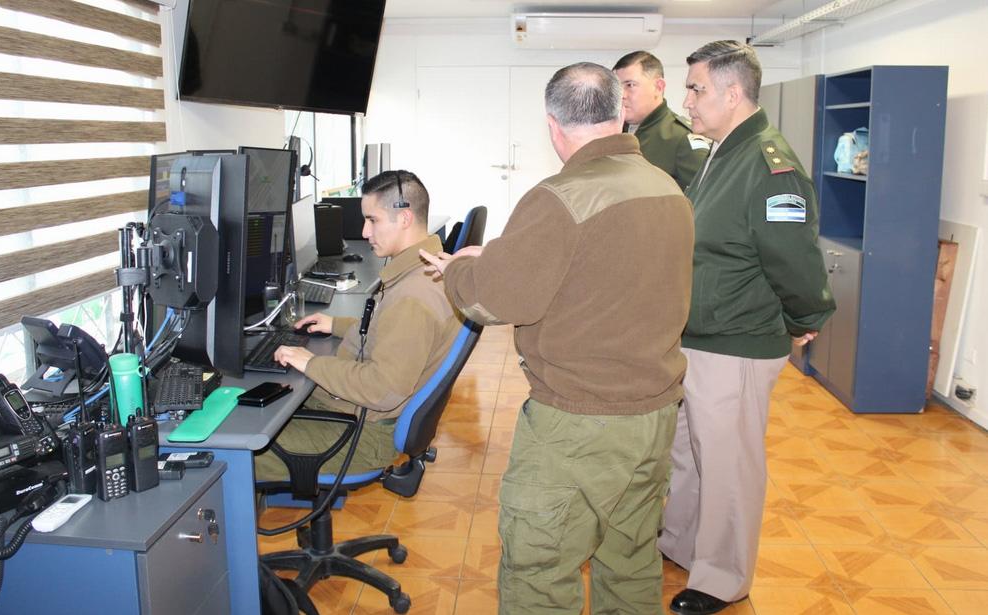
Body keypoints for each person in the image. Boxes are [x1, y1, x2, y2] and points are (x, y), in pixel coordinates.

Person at [420, 62, 694, 615]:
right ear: (619, 114)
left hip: (579, 424)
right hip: (654, 414)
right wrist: (500, 256)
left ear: (553, 125)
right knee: (631, 560)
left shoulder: (559, 196)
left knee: (539, 570)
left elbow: (493, 303)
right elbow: (601, 270)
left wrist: (460, 268)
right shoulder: (665, 188)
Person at [658, 41, 836, 615]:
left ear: (733, 93)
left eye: (696, 89)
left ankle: (722, 579)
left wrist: (805, 319)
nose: (687, 101)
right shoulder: (722, 152)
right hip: (700, 336)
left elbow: (795, 260)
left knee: (728, 463)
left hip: (736, 341)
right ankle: (683, 545)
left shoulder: (767, 165)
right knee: (690, 453)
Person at [254, 170, 462, 481]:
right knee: (265, 406)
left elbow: (383, 389)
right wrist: (337, 324)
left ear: (404, 218)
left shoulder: (413, 297)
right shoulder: (429, 269)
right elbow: (390, 332)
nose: (365, 232)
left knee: (237, 450)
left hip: (366, 434)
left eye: (372, 220)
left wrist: (310, 362)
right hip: (367, 415)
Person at [613, 50, 710, 191]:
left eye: (630, 85)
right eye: (617, 87)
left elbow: (707, 195)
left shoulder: (682, 139)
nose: (622, 95)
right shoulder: (615, 134)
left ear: (659, 87)